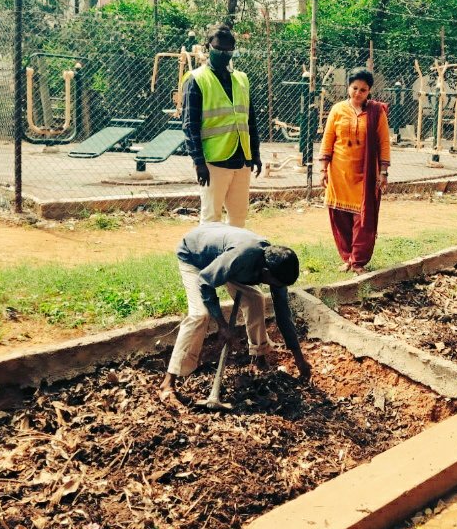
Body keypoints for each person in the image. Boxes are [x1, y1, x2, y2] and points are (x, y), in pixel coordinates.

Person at [159, 222, 312, 410]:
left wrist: (299, 358)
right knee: (200, 315)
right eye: (276, 283)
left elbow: (283, 314)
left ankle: (259, 357)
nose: (278, 287)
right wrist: (222, 325)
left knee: (255, 298)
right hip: (195, 256)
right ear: (265, 273)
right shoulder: (241, 258)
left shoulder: (275, 269)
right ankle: (168, 382)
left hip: (224, 256)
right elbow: (206, 282)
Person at [181, 23, 261, 227]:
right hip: (214, 162)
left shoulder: (241, 79)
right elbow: (190, 125)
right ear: (208, 47)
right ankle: (209, 259)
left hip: (242, 160)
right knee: (211, 218)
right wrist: (199, 162)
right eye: (218, 48)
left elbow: (250, 120)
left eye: (228, 49)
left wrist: (255, 154)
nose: (224, 53)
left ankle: (234, 258)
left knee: (238, 217)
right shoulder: (196, 80)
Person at [318, 67, 391, 274]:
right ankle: (347, 258)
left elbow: (384, 143)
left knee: (363, 219)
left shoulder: (377, 113)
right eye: (355, 88)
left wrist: (383, 172)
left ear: (369, 92)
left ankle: (358, 261)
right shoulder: (337, 110)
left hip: (366, 175)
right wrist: (323, 169)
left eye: (363, 90)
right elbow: (328, 139)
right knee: (339, 216)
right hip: (339, 172)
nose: (358, 93)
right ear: (348, 87)